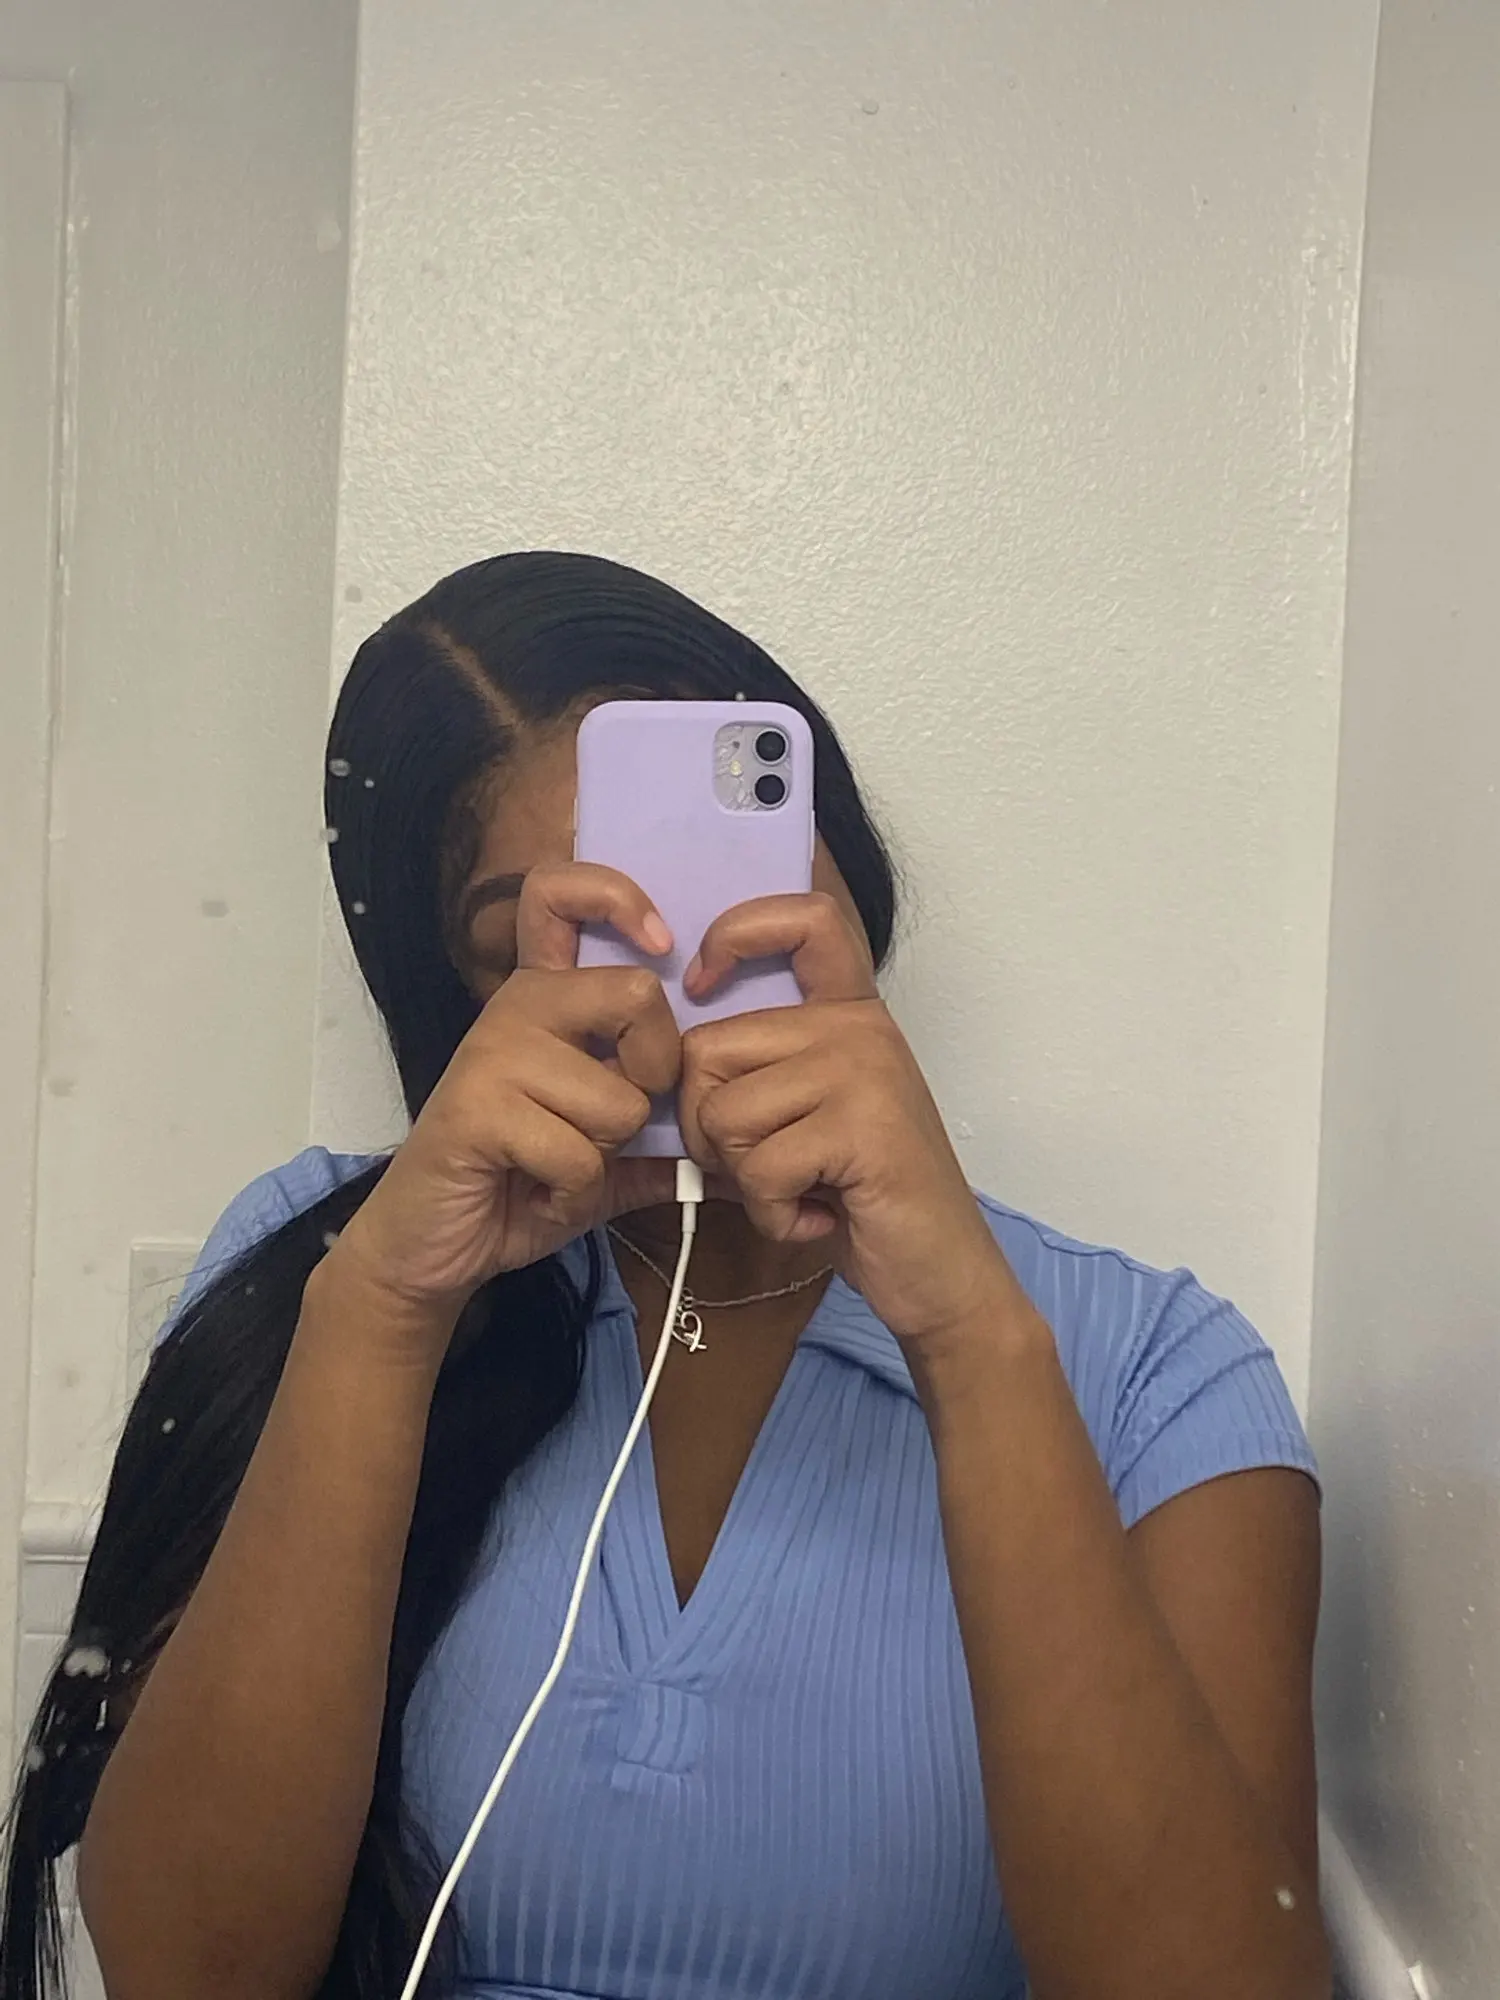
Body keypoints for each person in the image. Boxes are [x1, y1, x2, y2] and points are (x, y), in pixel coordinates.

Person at [0, 552, 1330, 2000]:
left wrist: (968, 1335)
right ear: (457, 996)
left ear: (831, 863)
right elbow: (182, 1969)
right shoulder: (334, 1271)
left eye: (704, 899)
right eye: (547, 940)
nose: (654, 986)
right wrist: (381, 1316)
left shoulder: (1157, 1371)